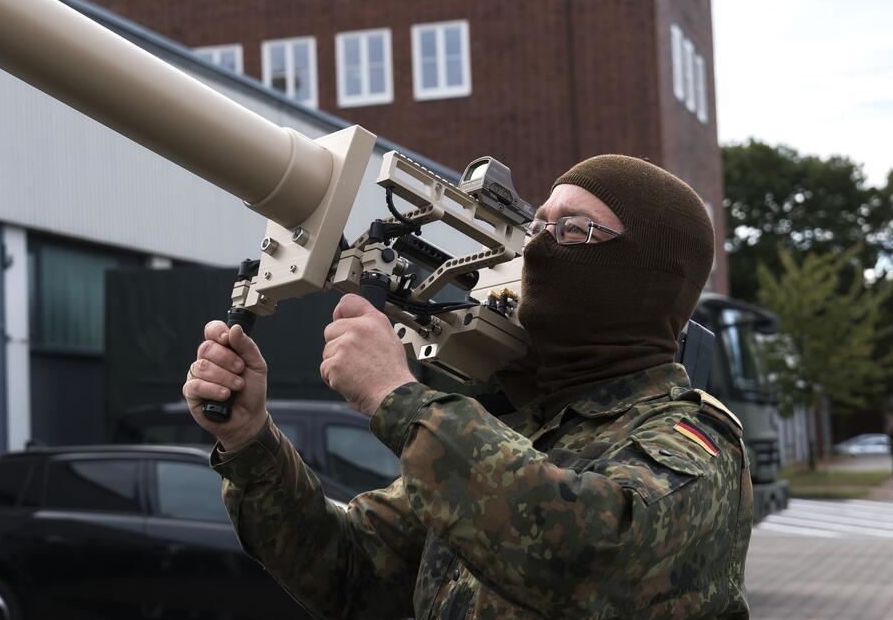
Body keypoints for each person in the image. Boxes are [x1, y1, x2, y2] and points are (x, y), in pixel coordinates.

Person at [181, 154, 752, 619]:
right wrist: (251, 440)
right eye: (538, 225)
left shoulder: (694, 438)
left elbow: (589, 560)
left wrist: (397, 398)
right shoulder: (516, 429)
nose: (538, 247)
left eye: (573, 229)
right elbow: (351, 572)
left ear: (649, 278)